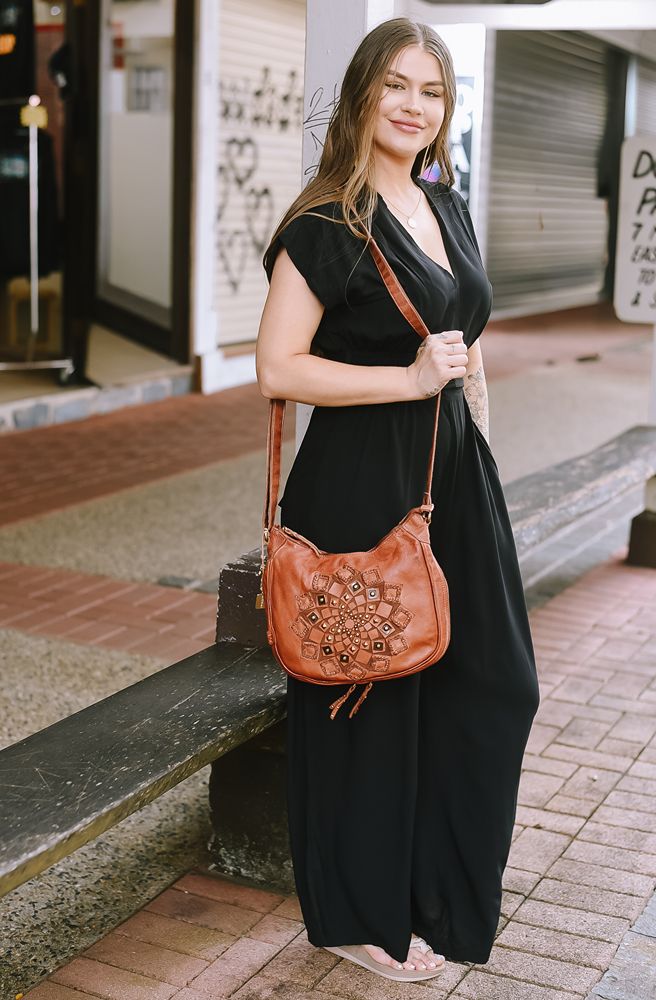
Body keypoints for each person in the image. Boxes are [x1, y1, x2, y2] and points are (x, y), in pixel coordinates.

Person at [256, 15, 540, 984]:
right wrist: (408, 382)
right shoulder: (324, 222)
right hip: (356, 484)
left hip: (452, 478)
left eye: (432, 91)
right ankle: (353, 915)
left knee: (490, 684)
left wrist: (477, 451)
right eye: (396, 87)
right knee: (366, 700)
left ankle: (429, 894)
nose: (414, 106)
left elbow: (464, 350)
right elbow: (274, 367)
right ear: (362, 94)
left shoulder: (443, 205)